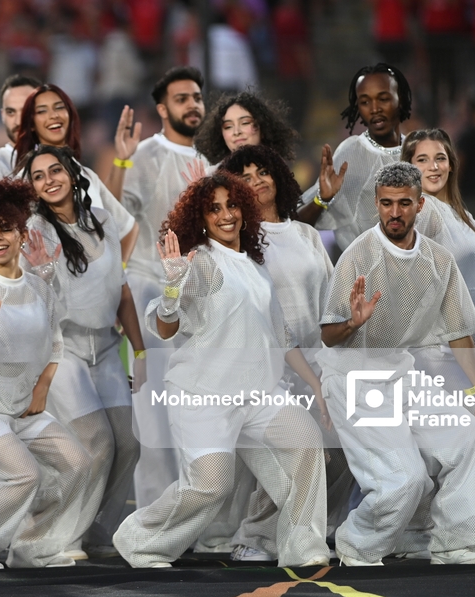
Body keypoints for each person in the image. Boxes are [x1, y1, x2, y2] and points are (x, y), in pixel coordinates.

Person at [112, 170, 331, 569]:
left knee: (306, 444)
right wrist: (173, 288)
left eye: (232, 205)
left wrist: (316, 383)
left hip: (261, 394)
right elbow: (165, 326)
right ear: (201, 218)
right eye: (214, 209)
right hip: (205, 396)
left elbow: (281, 336)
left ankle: (305, 547)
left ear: (245, 210)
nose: (226, 214)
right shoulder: (199, 264)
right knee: (211, 487)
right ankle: (138, 540)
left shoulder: (255, 266)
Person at [317, 161, 475, 566]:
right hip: (354, 380)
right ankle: (357, 546)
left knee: (467, 436)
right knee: (406, 479)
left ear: (420, 205)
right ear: (377, 205)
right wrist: (352, 322)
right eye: (385, 204)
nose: (394, 213)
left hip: (401, 374)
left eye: (403, 204)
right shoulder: (358, 255)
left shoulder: (439, 260)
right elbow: (328, 335)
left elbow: (459, 331)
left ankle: (455, 544)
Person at [0, 176, 90, 569]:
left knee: (76, 462)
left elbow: (55, 341)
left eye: (6, 228)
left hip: (21, 406)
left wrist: (41, 390)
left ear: (23, 234)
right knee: (22, 476)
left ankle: (32, 547)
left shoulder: (39, 286)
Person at [218, 144, 353, 562]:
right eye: (245, 176)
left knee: (344, 451)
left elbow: (332, 299)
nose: (256, 181)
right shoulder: (237, 240)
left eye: (264, 172)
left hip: (317, 360)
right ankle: (256, 538)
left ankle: (314, 529)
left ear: (278, 177)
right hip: (269, 366)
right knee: (290, 456)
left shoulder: (307, 234)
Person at [22, 145, 146, 559]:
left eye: (55, 170)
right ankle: (56, 537)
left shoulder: (103, 220)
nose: (49, 180)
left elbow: (122, 289)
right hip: (63, 349)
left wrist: (141, 352)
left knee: (129, 441)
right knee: (96, 443)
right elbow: (32, 302)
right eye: (38, 176)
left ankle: (97, 532)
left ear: (73, 174)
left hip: (107, 347)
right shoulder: (35, 230)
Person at [112, 66, 211, 511]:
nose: (192, 104)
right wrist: (120, 161)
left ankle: (191, 512)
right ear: (162, 108)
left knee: (192, 410)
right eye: (181, 98)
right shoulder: (144, 153)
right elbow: (114, 217)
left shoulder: (209, 162)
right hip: (151, 288)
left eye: (196, 96)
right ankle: (153, 516)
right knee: (154, 411)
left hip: (199, 299)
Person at [401, 129, 475, 453]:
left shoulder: (465, 216)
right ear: (409, 168)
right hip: (444, 358)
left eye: (439, 158)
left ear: (452, 164)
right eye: (422, 160)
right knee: (465, 456)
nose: (433, 167)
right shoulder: (424, 211)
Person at [14, 83, 139, 262]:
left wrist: (117, 276)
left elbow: (121, 223)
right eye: (42, 111)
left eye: (59, 108)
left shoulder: (83, 173)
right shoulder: (25, 181)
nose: (53, 115)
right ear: (31, 124)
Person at [297, 63, 412, 251]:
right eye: (365, 102)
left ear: (400, 99)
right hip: (364, 275)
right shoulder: (350, 154)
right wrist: (322, 200)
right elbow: (296, 225)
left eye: (383, 99)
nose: (374, 108)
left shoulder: (419, 152)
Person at [193, 90, 298, 167]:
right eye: (228, 126)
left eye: (245, 123)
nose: (236, 132)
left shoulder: (280, 173)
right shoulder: (212, 178)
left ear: (263, 127)